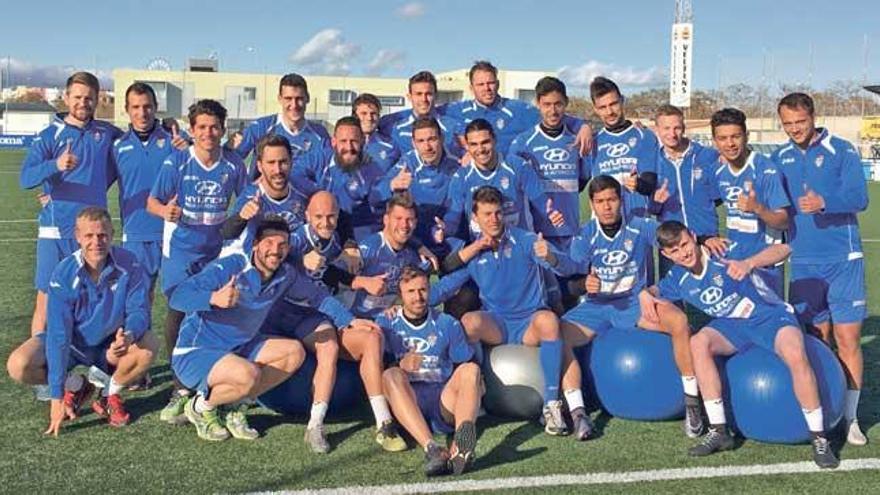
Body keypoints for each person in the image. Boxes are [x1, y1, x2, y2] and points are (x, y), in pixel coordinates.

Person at [642, 220, 839, 469]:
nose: (683, 253)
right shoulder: (678, 277)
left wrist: (749, 263)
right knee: (698, 342)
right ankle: (719, 430)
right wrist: (644, 293)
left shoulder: (723, 250)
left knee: (795, 352)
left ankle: (819, 438)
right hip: (732, 326)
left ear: (693, 236)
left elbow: (784, 250)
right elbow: (656, 290)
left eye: (684, 244)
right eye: (674, 251)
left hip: (769, 317)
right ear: (664, 254)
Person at [169, 217, 376, 441]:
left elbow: (317, 296)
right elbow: (178, 297)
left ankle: (233, 407)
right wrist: (213, 298)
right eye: (269, 243)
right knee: (248, 374)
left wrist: (349, 320)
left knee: (293, 352)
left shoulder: (285, 274)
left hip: (240, 347)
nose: (275, 250)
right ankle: (200, 407)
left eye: (282, 244)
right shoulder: (230, 267)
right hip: (197, 352)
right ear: (255, 244)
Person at [261, 191, 406, 453]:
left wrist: (351, 318)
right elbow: (268, 255)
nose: (325, 222)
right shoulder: (293, 240)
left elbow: (330, 276)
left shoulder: (336, 241)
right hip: (276, 315)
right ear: (306, 216)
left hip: (313, 315)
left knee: (364, 338)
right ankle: (223, 402)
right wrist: (295, 258)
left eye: (331, 216)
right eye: (318, 216)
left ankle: (373, 422)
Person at [557, 176, 699, 440]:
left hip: (635, 303)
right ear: (591, 204)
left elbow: (673, 241)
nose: (607, 206)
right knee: (556, 337)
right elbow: (571, 281)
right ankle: (578, 413)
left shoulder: (640, 226)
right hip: (596, 307)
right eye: (600, 201)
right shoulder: (584, 235)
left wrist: (700, 246)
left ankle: (692, 403)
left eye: (611, 199)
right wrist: (582, 285)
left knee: (679, 321)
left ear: (621, 201)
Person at [434, 186, 577, 435]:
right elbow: (445, 285)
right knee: (468, 321)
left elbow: (565, 269)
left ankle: (551, 405)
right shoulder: (475, 251)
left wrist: (551, 257)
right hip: (498, 324)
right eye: (487, 214)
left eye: (498, 213)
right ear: (475, 218)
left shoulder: (526, 240)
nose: (494, 219)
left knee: (549, 321)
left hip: (528, 322)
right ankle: (476, 393)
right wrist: (411, 302)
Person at [772, 92, 870, 445]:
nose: (795, 129)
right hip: (803, 265)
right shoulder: (778, 157)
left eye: (800, 121)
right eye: (788, 123)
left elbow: (860, 198)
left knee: (848, 340)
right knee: (815, 339)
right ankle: (823, 409)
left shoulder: (842, 150)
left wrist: (825, 202)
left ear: (813, 117)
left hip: (844, 262)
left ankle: (851, 418)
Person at [6, 207, 157, 434]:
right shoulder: (63, 274)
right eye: (89, 236)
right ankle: (76, 386)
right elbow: (59, 336)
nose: (96, 242)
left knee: (149, 345)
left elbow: (140, 311)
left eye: (102, 235)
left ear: (112, 234)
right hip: (73, 346)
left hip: (109, 346)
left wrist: (129, 335)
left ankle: (108, 395)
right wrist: (56, 396)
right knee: (18, 365)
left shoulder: (129, 263)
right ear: (77, 236)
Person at [147, 99, 247, 424]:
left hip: (216, 251)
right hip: (180, 251)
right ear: (192, 131)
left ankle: (213, 384)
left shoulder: (233, 165)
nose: (208, 133)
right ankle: (179, 390)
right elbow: (151, 201)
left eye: (214, 126)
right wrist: (165, 211)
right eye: (202, 127)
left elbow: (245, 200)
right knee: (178, 313)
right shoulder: (176, 162)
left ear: (223, 129)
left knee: (214, 314)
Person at [19, 71, 121, 336]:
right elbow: (25, 178)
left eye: (89, 98)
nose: (83, 103)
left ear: (97, 100)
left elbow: (139, 138)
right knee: (46, 300)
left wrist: (167, 127)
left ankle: (95, 368)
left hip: (93, 235)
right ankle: (42, 370)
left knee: (94, 303)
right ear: (66, 97)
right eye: (77, 97)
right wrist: (55, 165)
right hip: (56, 232)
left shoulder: (106, 133)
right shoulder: (49, 135)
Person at [379, 266, 481, 476]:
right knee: (391, 374)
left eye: (423, 290)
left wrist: (475, 384)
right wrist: (399, 365)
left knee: (471, 369)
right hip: (407, 401)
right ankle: (432, 449)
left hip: (443, 399)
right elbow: (375, 371)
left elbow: (465, 362)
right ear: (400, 295)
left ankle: (463, 446)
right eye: (411, 292)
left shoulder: (447, 323)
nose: (418, 297)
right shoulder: (386, 323)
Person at [703, 108, 789, 297]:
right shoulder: (717, 171)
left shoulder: (766, 169)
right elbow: (705, 206)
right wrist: (708, 236)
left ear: (746, 136)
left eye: (736, 136)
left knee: (768, 319)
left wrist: (757, 208)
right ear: (714, 141)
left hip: (765, 261)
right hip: (733, 259)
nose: (730, 144)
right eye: (723, 138)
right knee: (738, 317)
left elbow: (783, 222)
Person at [440, 119, 565, 242]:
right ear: (467, 146)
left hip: (520, 247)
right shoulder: (462, 177)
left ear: (494, 140)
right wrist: (444, 229)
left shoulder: (516, 165)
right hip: (484, 251)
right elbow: (453, 216)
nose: (481, 149)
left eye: (485, 142)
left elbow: (539, 198)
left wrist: (550, 212)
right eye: (474, 144)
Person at [443, 60, 592, 157]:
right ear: (471, 88)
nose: (487, 88)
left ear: (498, 84)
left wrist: (582, 126)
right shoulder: (457, 110)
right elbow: (427, 112)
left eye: (491, 83)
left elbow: (551, 115)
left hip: (510, 185)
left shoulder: (518, 109)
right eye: (480, 85)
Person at [649, 104, 721, 275]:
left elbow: (719, 197)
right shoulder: (652, 161)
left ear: (684, 128)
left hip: (707, 242)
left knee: (712, 297)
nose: (672, 134)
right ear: (657, 129)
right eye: (666, 128)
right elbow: (652, 210)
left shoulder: (707, 156)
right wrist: (656, 203)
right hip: (672, 246)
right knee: (674, 299)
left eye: (677, 128)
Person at [376, 117, 460, 259]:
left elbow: (458, 205)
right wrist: (391, 185)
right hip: (412, 237)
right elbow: (374, 196)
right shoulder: (408, 163)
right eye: (421, 141)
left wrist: (447, 228)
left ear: (442, 139)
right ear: (413, 143)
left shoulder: (455, 165)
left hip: (444, 234)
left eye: (432, 139)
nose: (427, 147)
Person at [296, 116, 387, 241]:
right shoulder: (318, 158)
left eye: (354, 141)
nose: (349, 147)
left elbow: (367, 217)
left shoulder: (372, 171)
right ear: (334, 142)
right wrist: (318, 193)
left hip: (351, 228)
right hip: (316, 223)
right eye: (343, 141)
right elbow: (293, 175)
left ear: (362, 142)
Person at [221, 134, 310, 253]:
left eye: (283, 162)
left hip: (294, 262)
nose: (278, 170)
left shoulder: (303, 190)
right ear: (260, 166)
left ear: (291, 162)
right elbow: (226, 233)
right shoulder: (250, 197)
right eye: (271, 163)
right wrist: (241, 217)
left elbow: (328, 208)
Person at [586, 76, 659, 221]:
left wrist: (639, 184)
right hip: (603, 228)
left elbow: (650, 182)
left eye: (613, 104)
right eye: (602, 107)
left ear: (622, 100)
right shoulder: (591, 142)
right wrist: (581, 125)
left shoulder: (644, 136)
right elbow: (578, 183)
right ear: (595, 109)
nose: (609, 111)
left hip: (638, 223)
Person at [231, 73, 331, 179]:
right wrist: (247, 189)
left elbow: (330, 170)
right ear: (280, 99)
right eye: (288, 98)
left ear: (307, 98)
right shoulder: (261, 127)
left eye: (299, 98)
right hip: (265, 194)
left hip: (305, 194)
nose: (294, 105)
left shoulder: (320, 134)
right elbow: (231, 160)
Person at [379, 70, 465, 159]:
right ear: (409, 97)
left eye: (428, 94)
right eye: (418, 94)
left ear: (436, 96)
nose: (424, 99)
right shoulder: (395, 129)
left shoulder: (453, 127)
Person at [352, 93, 400, 172]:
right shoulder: (344, 145)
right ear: (354, 116)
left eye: (373, 114)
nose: (369, 118)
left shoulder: (392, 146)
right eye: (364, 113)